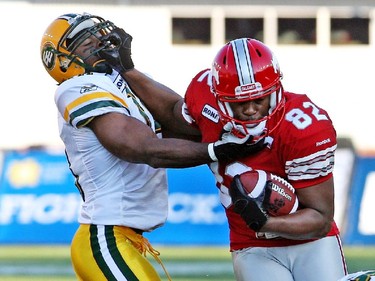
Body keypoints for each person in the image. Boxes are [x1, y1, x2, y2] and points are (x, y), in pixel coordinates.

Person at [40, 13, 263, 281]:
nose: (99, 43)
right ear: (62, 61)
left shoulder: (123, 80)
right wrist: (215, 150)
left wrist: (129, 69)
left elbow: (177, 115)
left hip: (123, 238)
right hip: (105, 237)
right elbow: (142, 148)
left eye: (98, 36)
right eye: (87, 44)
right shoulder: (76, 87)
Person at [108, 31, 348, 280]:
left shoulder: (304, 127)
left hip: (311, 244)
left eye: (259, 99)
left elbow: (320, 219)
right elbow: (172, 113)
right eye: (239, 102)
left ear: (275, 90)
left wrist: (266, 222)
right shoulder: (205, 98)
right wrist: (127, 70)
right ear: (218, 97)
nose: (251, 109)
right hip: (252, 246)